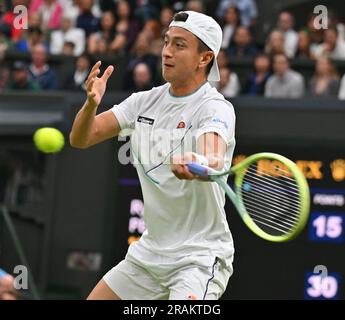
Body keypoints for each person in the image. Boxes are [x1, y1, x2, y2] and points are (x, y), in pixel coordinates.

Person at [70, 10, 236, 300]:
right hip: (148, 256)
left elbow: (213, 155)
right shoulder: (142, 102)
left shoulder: (215, 108)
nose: (167, 52)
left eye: (180, 45)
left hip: (198, 259)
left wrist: (195, 163)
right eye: (167, 42)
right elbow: (81, 139)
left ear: (205, 58)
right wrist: (90, 106)